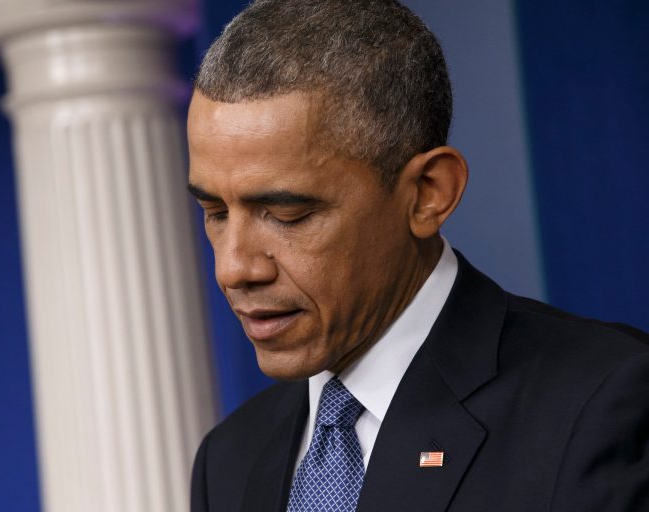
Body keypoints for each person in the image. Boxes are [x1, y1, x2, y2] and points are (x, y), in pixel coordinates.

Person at [186, 1, 649, 510]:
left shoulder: (604, 402)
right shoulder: (226, 460)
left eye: (287, 213)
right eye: (215, 212)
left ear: (429, 193)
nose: (233, 268)